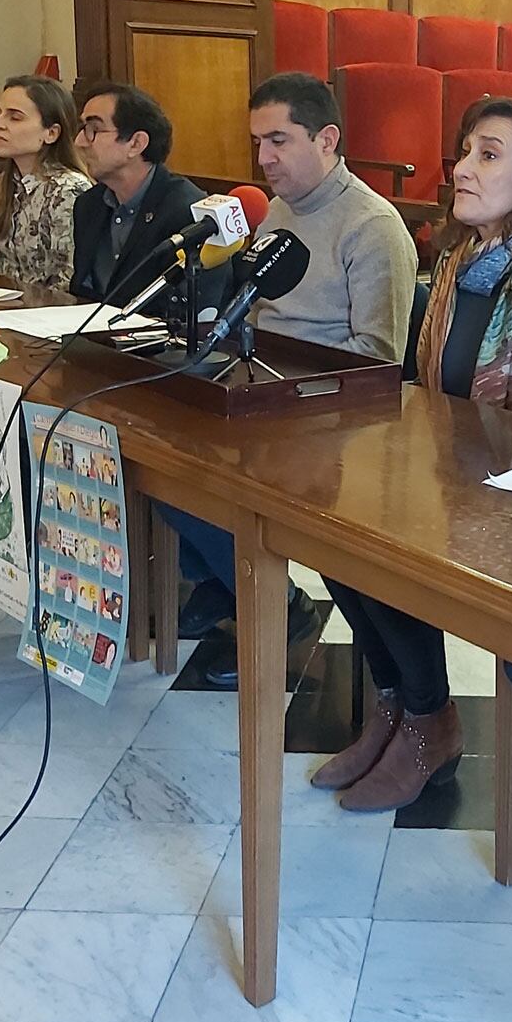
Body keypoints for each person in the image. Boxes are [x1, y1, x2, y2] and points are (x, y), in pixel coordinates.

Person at [312, 97, 512, 812]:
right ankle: (395, 704)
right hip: (457, 466)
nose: (460, 169)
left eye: (486, 155)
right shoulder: (461, 256)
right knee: (335, 529)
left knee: (385, 547)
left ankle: (430, 722)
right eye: (463, 152)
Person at [156, 72, 419, 688]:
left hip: (326, 419)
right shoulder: (279, 209)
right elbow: (254, 306)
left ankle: (270, 605)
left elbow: (376, 362)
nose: (263, 159)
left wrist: (278, 396)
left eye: (278, 140)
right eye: (257, 143)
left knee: (204, 474)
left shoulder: (371, 227)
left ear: (326, 139)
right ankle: (228, 585)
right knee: (159, 457)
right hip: (261, 387)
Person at [69, 82, 229, 314]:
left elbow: (193, 311)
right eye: (82, 129)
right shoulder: (88, 204)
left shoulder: (187, 210)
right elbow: (84, 290)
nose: (79, 142)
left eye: (93, 130)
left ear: (136, 143)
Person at [0, 75, 91, 289]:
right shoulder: (3, 185)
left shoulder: (68, 190)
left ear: (51, 133)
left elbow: (68, 277)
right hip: (8, 307)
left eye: (14, 118)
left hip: (50, 313)